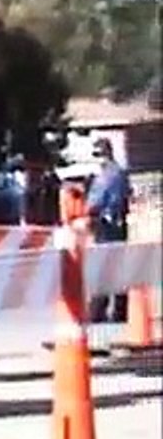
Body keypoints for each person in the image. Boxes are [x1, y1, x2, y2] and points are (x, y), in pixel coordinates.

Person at [85, 137, 131, 323]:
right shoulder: (121, 173)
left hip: (105, 224)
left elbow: (94, 203)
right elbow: (127, 195)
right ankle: (120, 309)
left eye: (96, 154)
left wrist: (86, 209)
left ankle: (98, 310)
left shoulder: (106, 176)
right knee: (119, 266)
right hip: (119, 223)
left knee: (103, 267)